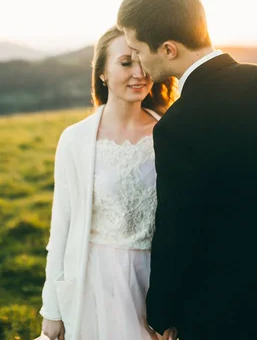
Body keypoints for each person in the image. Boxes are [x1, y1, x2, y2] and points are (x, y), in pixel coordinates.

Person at [117, 0, 257, 340]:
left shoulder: (179, 125)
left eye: (138, 49)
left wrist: (163, 310)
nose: (138, 60)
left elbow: (179, 229)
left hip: (217, 305)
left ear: (169, 49)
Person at [38, 26, 177, 340]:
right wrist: (52, 310)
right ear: (102, 72)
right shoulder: (75, 140)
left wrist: (175, 305)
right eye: (126, 62)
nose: (138, 72)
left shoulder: (171, 135)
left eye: (142, 60)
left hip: (154, 285)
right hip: (93, 283)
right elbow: (61, 227)